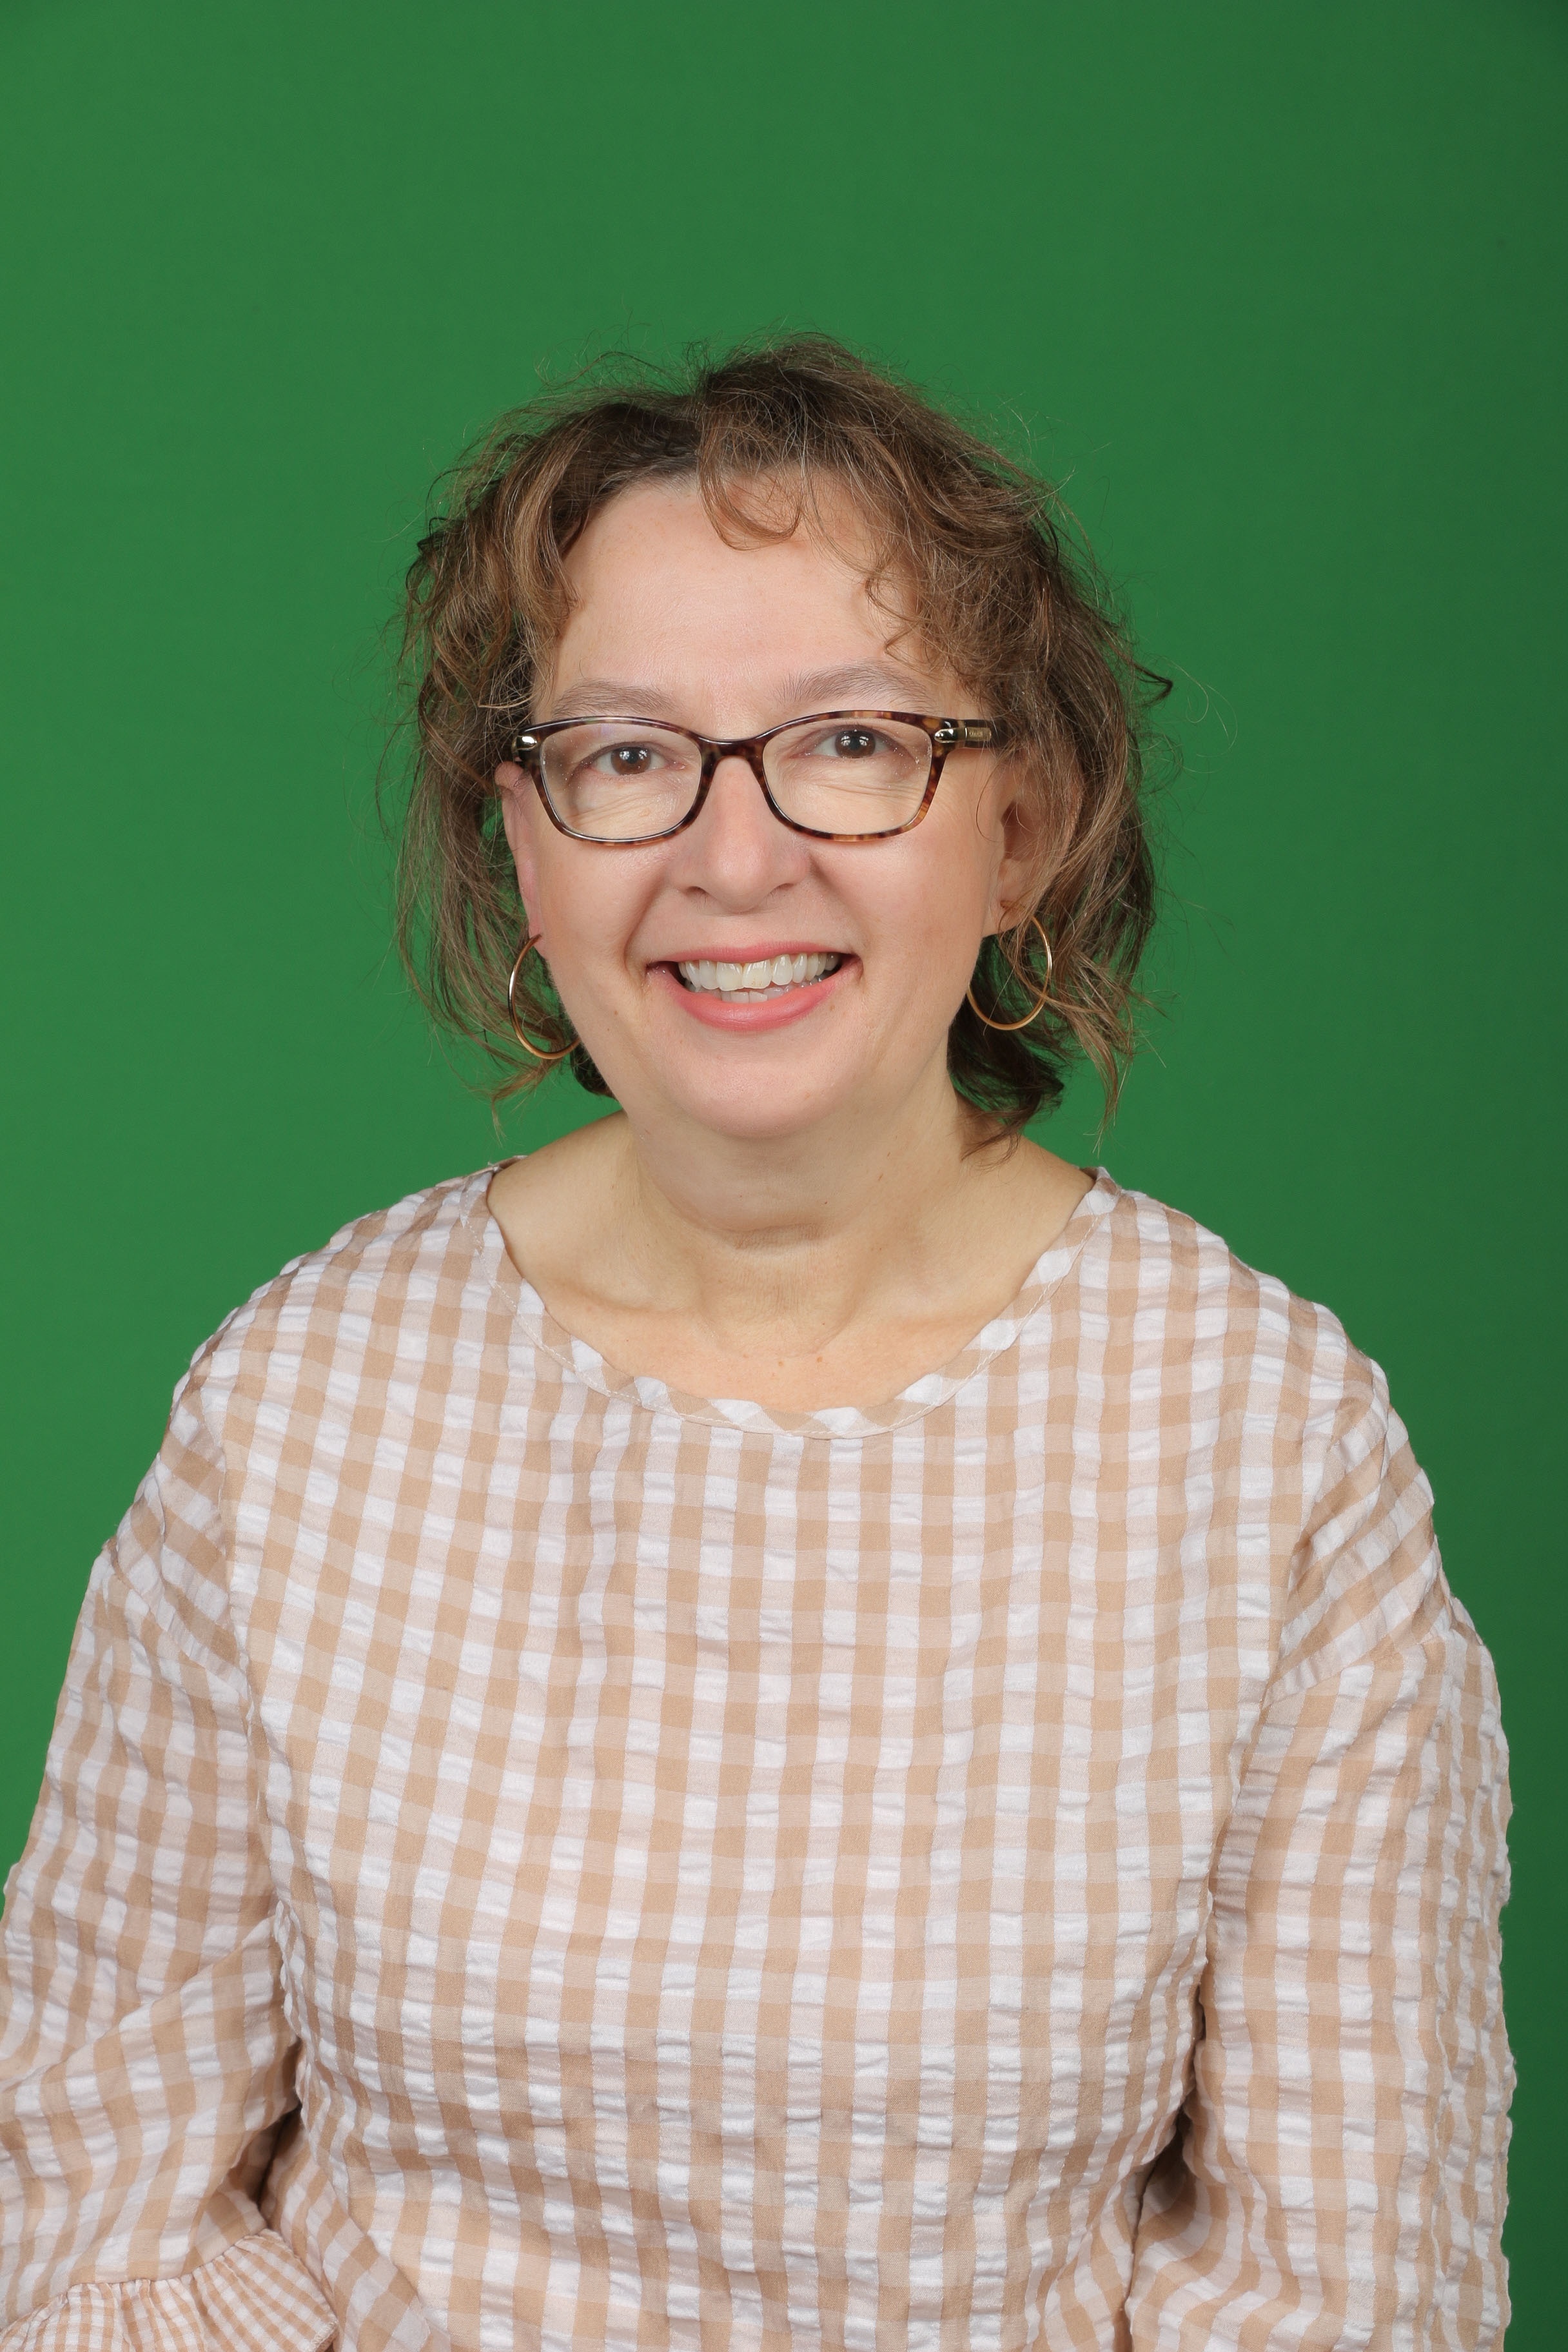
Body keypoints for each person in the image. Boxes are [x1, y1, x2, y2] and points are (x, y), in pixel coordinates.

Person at [0, 338, 1510, 2351]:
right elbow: (89, 2216)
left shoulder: (1269, 1452)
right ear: (524, 846)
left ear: (1022, 828)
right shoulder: (299, 1411)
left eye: (853, 741)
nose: (734, 856)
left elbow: (1348, 2295)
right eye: (629, 755)